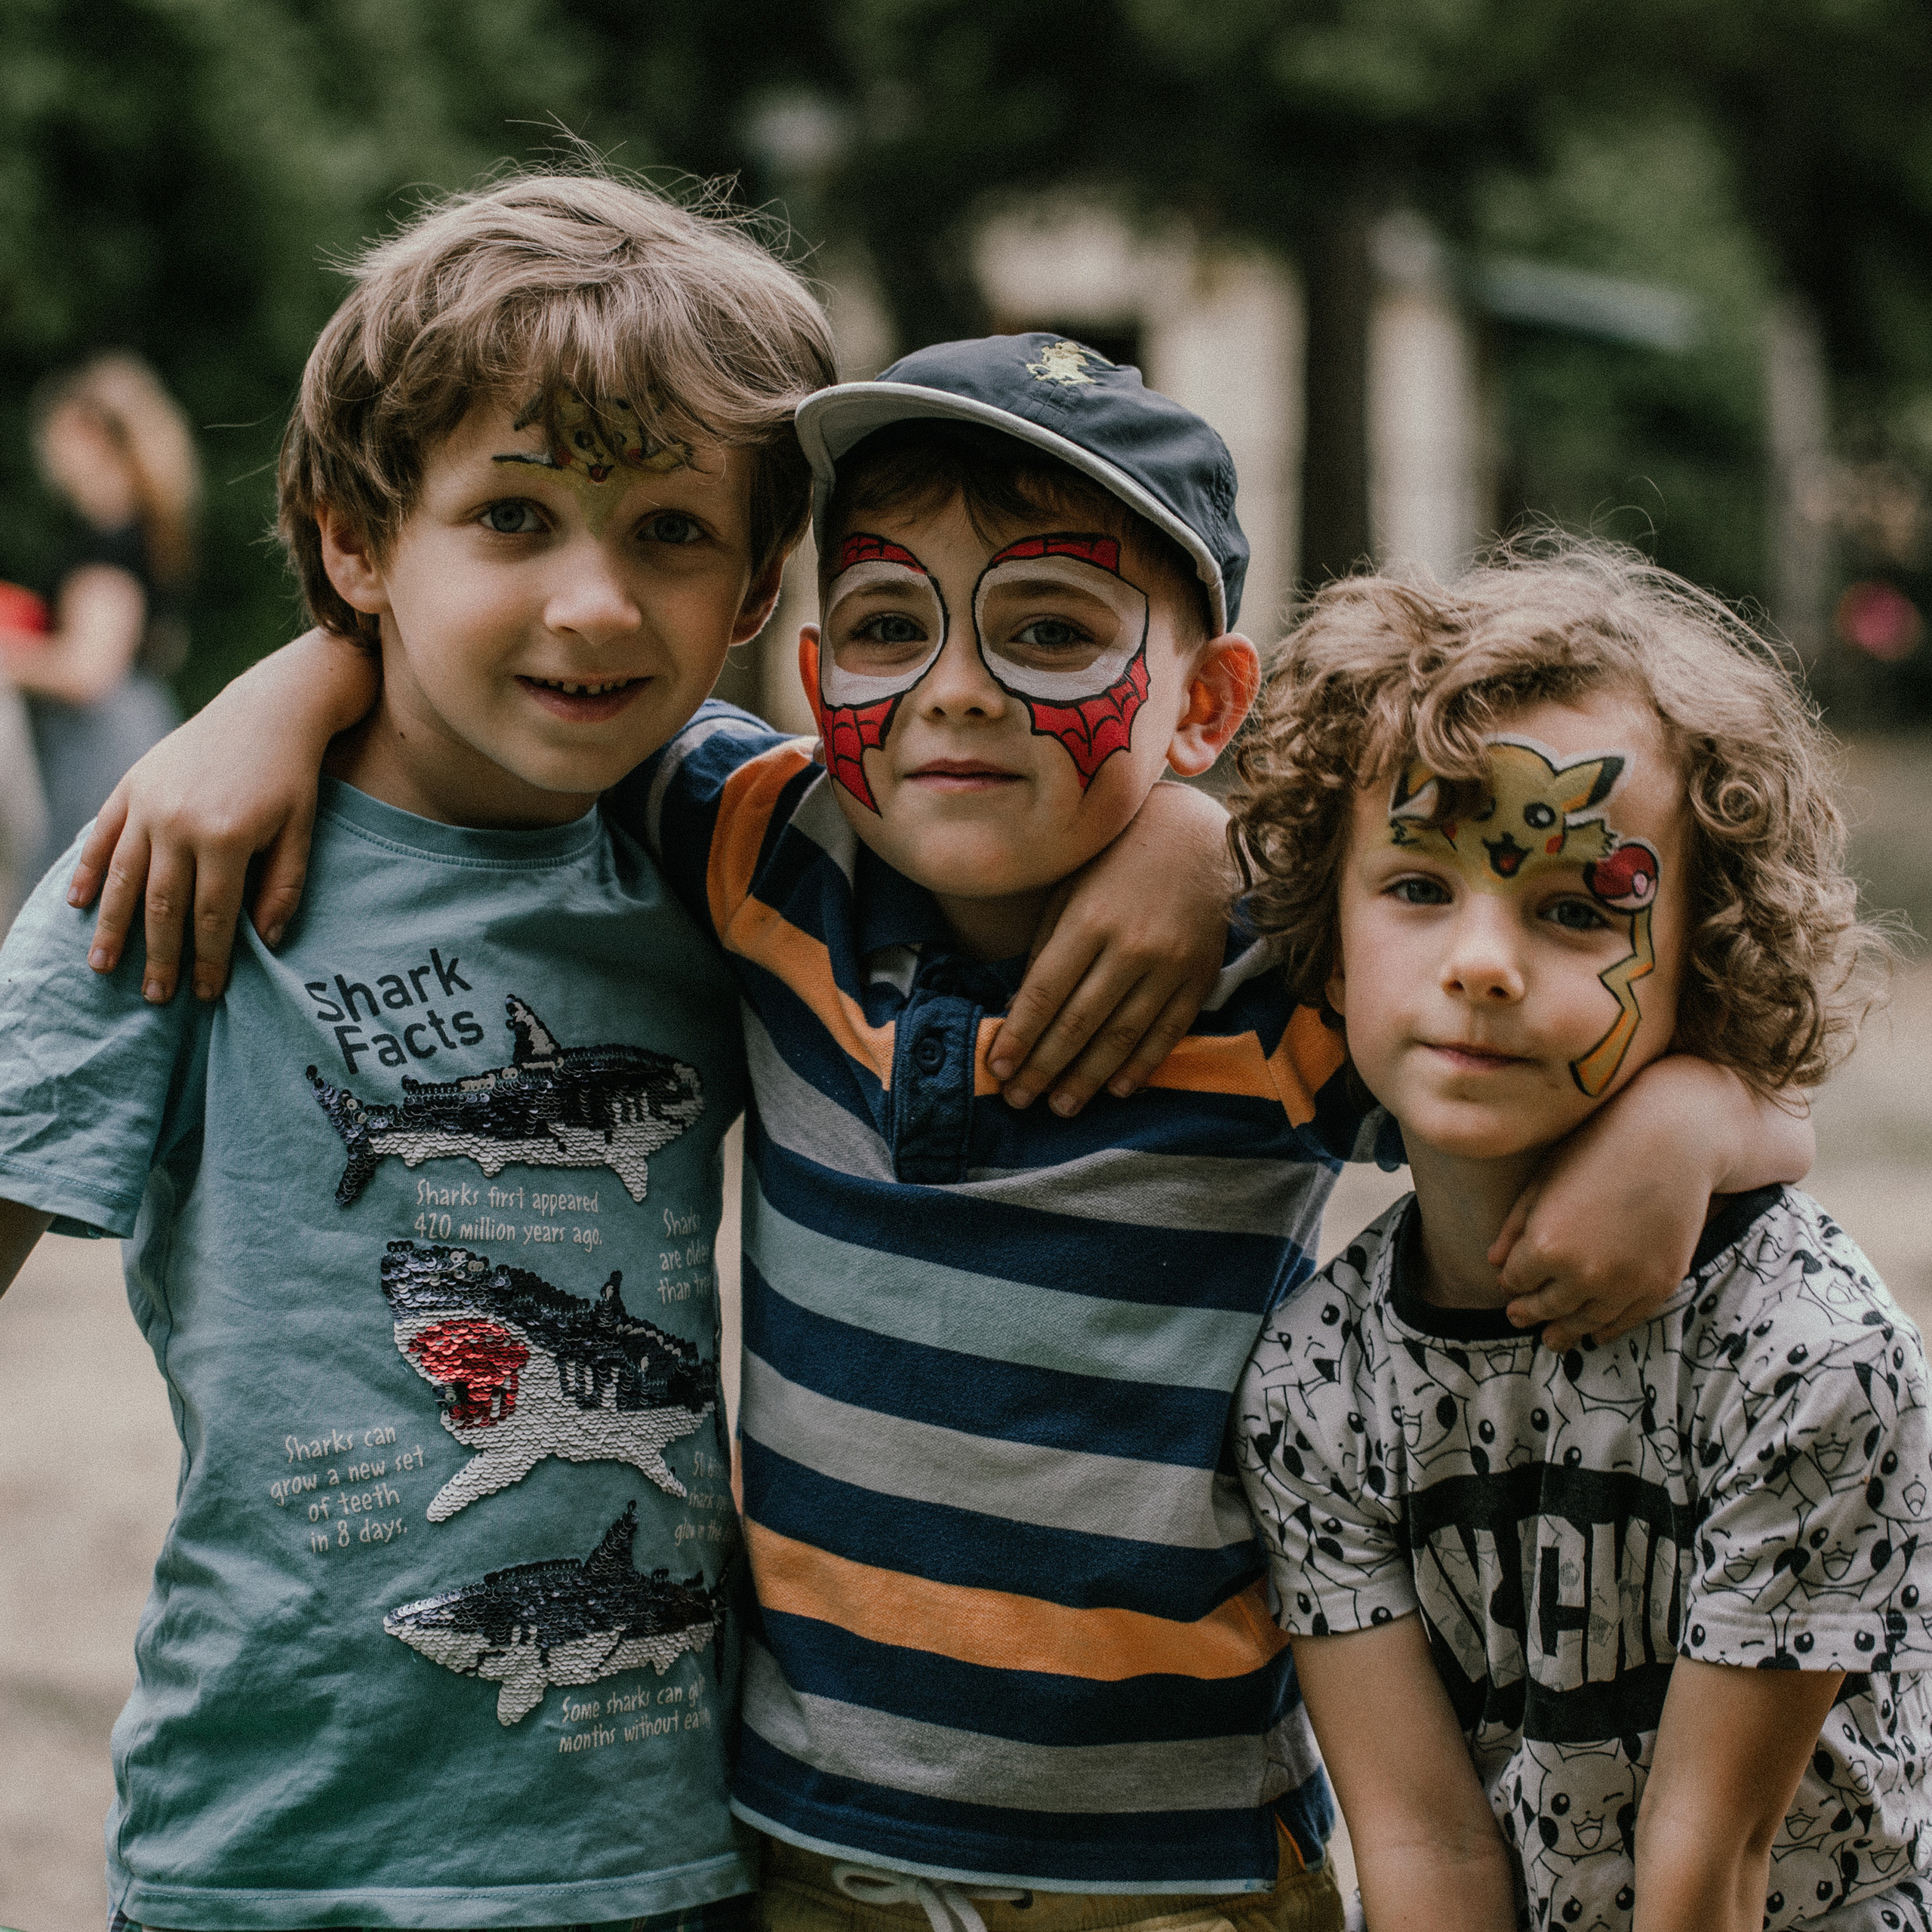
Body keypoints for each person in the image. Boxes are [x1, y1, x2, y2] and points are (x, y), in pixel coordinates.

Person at [67, 336, 1814, 1932]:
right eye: (890, 626)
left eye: (1048, 630)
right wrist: (284, 693)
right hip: (804, 1850)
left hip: (1179, 1866)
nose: (956, 687)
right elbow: (496, 676)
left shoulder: (1286, 967)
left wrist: (1685, 1117)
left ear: (1204, 701)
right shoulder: (758, 842)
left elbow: (1635, 1042)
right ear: (808, 665)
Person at [0, 180, 1258, 1932]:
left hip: (667, 1857)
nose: (594, 603)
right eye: (512, 515)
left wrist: (1197, 834)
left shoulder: (728, 854)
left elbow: (1102, 790)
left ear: (751, 587)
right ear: (359, 542)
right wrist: (285, 686)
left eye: (668, 531)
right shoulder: (183, 863)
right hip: (274, 1856)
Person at [1230, 542, 1921, 1932]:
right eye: (1418, 887)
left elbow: (1709, 1865)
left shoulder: (1807, 1354)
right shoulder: (1313, 1389)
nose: (1484, 962)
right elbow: (1424, 1851)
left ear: (1704, 954)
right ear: (1329, 939)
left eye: (1572, 909)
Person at [0, 352, 199, 881]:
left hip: (102, 749)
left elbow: (88, 670)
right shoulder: (142, 531)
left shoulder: (111, 544)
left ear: (92, 435)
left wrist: (7, 654)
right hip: (130, 734)